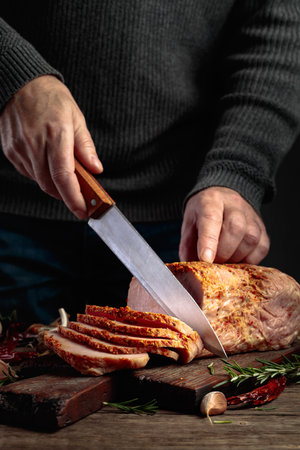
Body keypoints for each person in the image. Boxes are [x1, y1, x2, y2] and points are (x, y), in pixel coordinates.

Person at [0, 1, 299, 324]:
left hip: (184, 228)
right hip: (9, 210)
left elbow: (277, 27)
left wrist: (239, 168)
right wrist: (11, 70)